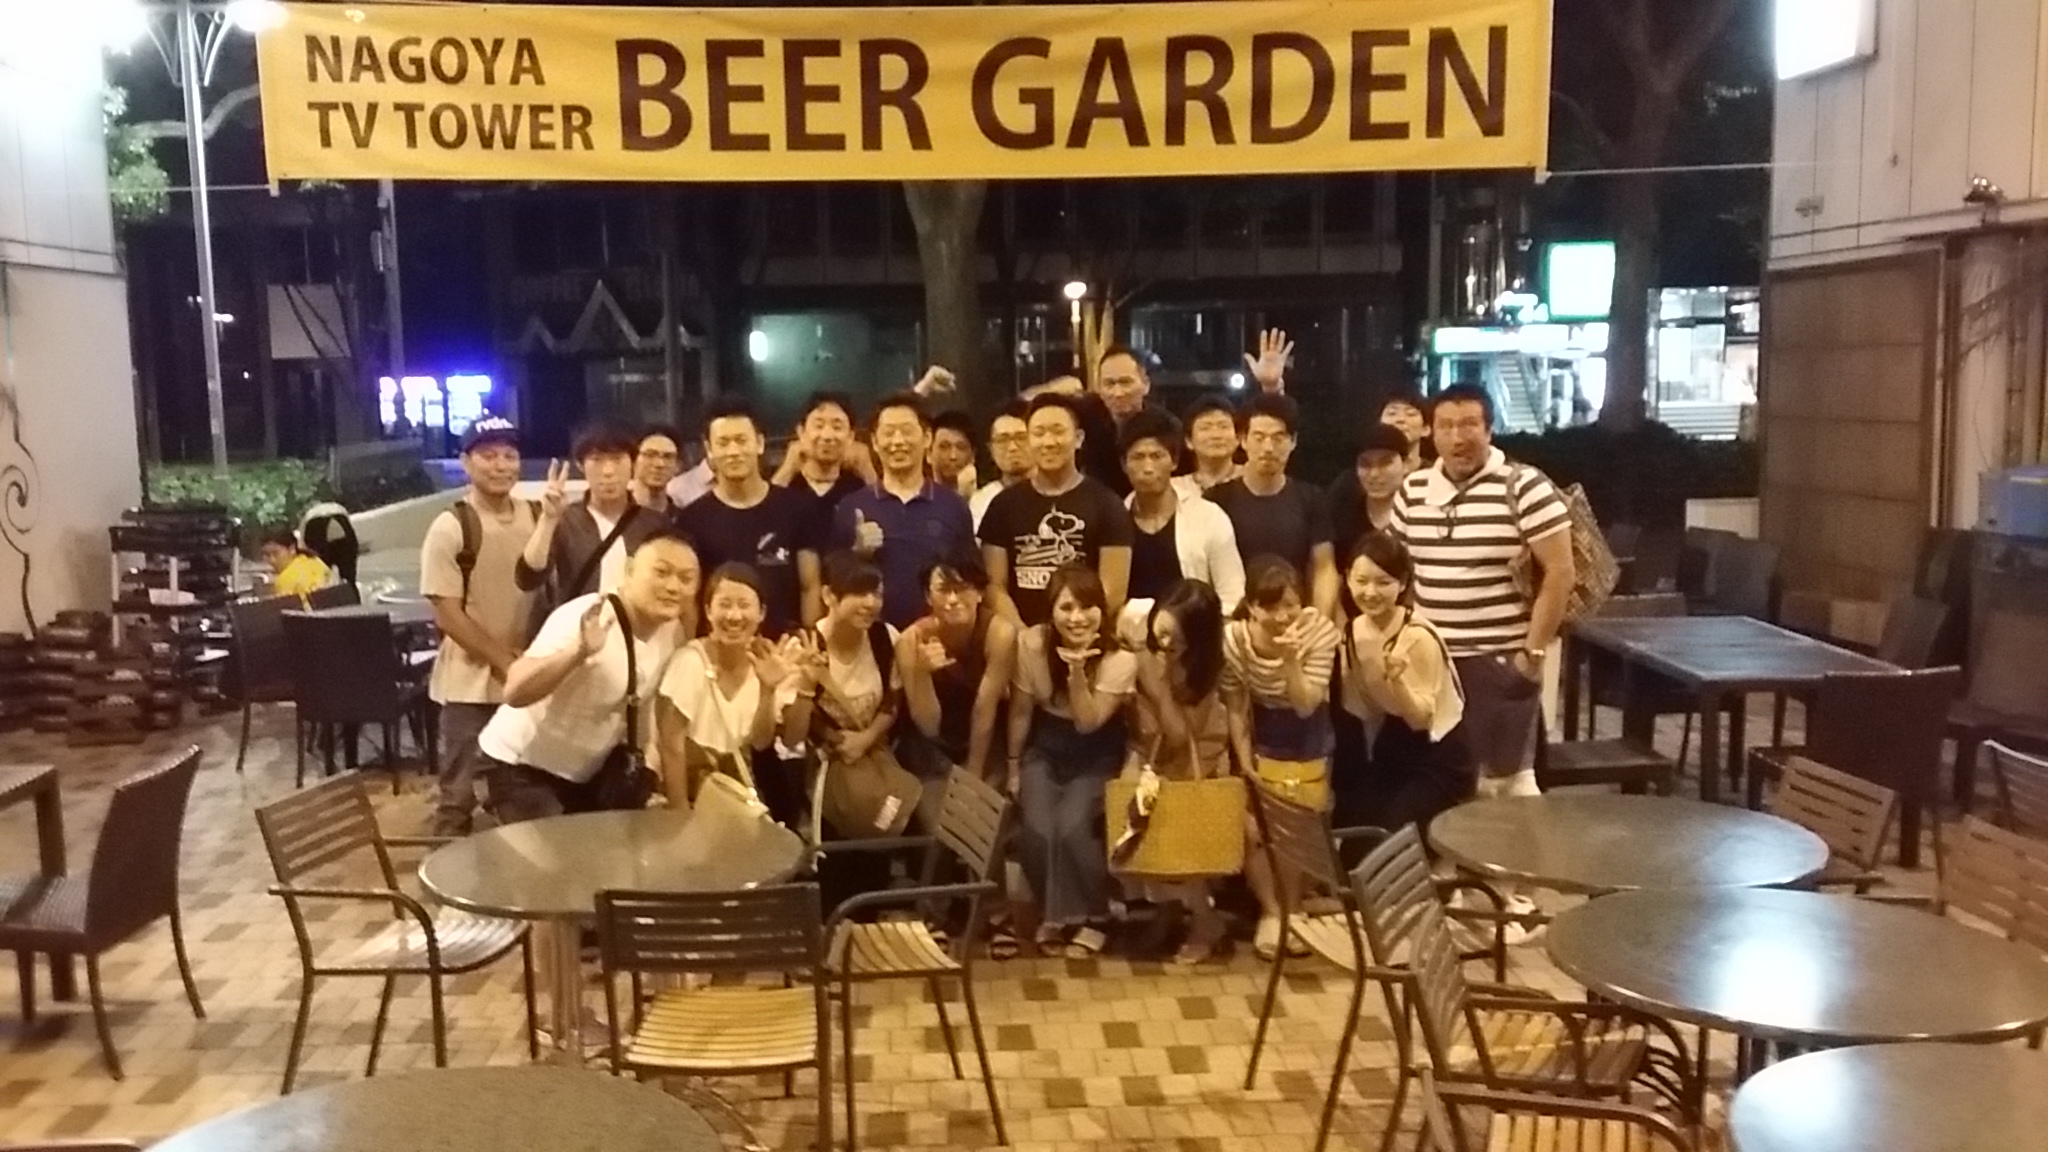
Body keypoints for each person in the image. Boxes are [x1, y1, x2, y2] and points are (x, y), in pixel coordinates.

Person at [1392, 382, 1572, 936]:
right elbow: (1399, 569)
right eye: (1446, 426)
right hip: (1433, 663)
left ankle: (1514, 898)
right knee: (1452, 780)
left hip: (1498, 660)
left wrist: (1531, 653)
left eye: (1469, 424)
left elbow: (1560, 573)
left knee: (1506, 784)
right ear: (1430, 432)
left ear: (1489, 429)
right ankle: (1468, 891)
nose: (1457, 437)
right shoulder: (1413, 490)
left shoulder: (1525, 486)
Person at [477, 528, 697, 824]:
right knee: (558, 852)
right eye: (661, 572)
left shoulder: (672, 633)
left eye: (686, 578)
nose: (673, 586)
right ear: (629, 570)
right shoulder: (588, 616)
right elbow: (514, 691)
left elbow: (644, 710)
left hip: (587, 778)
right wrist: (577, 653)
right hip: (520, 767)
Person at [1006, 563, 1138, 959]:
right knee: (1037, 828)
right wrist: (1013, 765)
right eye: (1066, 608)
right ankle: (1056, 914)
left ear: (1101, 610)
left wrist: (1077, 671)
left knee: (1072, 827)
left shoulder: (1120, 658)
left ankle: (1097, 916)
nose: (1077, 618)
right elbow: (1021, 713)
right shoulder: (1031, 644)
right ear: (1051, 611)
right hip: (1045, 747)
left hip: (1096, 751)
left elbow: (1087, 723)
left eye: (1086, 607)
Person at [419, 416, 541, 835]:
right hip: (468, 687)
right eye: (488, 456)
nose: (500, 465)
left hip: (527, 683)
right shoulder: (452, 526)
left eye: (509, 455)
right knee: (458, 799)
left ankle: (509, 875)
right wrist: (505, 662)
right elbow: (447, 614)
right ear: (466, 463)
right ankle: (440, 875)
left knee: (519, 797)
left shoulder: (538, 517)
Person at [1223, 556, 1341, 960]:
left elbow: (1307, 704)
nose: (1281, 616)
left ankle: (1294, 912)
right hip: (1262, 736)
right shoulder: (1235, 640)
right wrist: (1244, 763)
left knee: (1300, 833)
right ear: (1251, 606)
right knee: (1257, 832)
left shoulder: (1319, 633)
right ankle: (1272, 913)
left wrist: (1291, 659)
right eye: (1269, 607)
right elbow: (1235, 706)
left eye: (1290, 605)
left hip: (1309, 736)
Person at [1125, 579, 1235, 965]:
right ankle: (1167, 913)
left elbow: (1179, 736)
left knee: (1184, 837)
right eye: (1162, 631)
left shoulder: (1205, 670)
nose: (1166, 643)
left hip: (1194, 763)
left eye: (1177, 639)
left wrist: (1157, 684)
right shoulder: (1141, 639)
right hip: (1150, 755)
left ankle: (1206, 923)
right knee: (1136, 824)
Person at [1341, 533, 1473, 833]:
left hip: (1437, 751)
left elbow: (1421, 720)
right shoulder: (1351, 632)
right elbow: (1364, 711)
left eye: (1383, 582)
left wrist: (1397, 680)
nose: (1370, 592)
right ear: (1347, 579)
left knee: (1392, 833)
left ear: (1402, 584)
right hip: (1392, 744)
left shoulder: (1418, 636)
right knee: (1355, 827)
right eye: (1361, 581)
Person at [656, 563, 813, 810]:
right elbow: (670, 745)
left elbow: (761, 742)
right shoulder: (690, 661)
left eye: (744, 605)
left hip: (736, 798)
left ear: (761, 613)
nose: (734, 616)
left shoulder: (767, 663)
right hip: (690, 794)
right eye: (725, 605)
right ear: (708, 611)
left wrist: (768, 690)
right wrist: (680, 811)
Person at [978, 393, 1134, 627]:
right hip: (1022, 637)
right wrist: (1023, 634)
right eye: (1038, 433)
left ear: (1078, 438)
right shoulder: (1002, 505)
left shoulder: (1107, 504)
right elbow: (994, 587)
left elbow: (1113, 592)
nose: (1048, 442)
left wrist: (1073, 630)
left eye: (1058, 431)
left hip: (1085, 633)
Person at [677, 396, 824, 637]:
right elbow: (690, 599)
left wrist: (810, 639)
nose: (733, 451)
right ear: (709, 450)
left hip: (786, 648)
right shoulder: (692, 519)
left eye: (741, 440)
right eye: (723, 443)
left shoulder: (797, 507)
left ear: (760, 443)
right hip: (720, 649)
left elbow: (810, 586)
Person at [830, 392, 977, 631]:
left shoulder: (953, 505)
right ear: (875, 442)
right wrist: (858, 552)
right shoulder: (851, 506)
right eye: (888, 433)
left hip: (938, 635)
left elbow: (972, 579)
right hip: (873, 636)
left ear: (927, 438)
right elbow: (833, 583)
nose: (897, 441)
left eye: (907, 431)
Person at [1206, 393, 1341, 620]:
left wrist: (1319, 621)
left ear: (1293, 441)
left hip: (1294, 618)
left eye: (1278, 438)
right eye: (1259, 437)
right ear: (1243, 440)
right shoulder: (1217, 499)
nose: (1268, 448)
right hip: (1235, 622)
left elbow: (1324, 568)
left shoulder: (1311, 498)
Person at [516, 424, 665, 630]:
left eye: (617, 459)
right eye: (596, 460)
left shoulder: (654, 523)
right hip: (579, 633)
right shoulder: (566, 519)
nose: (608, 471)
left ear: (632, 463)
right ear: (580, 465)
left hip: (638, 632)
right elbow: (528, 579)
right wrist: (548, 520)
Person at [897, 548, 1016, 787]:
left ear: (980, 593)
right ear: (928, 596)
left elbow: (984, 710)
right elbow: (928, 726)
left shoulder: (999, 634)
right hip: (930, 742)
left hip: (982, 735)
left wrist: (973, 775)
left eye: (962, 589)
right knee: (933, 806)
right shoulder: (910, 640)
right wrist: (922, 673)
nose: (952, 600)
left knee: (983, 800)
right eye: (943, 590)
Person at [1119, 408, 1244, 613]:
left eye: (1157, 456)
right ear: (1124, 464)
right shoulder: (1113, 519)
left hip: (1195, 629)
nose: (1148, 467)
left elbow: (1232, 597)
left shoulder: (1209, 517)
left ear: (1174, 462)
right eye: (1138, 457)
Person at [774, 390, 867, 541]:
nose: (827, 436)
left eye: (837, 427)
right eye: (819, 425)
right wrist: (787, 469)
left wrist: (867, 469)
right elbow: (761, 519)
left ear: (851, 436)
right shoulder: (788, 486)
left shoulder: (857, 487)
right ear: (801, 432)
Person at [1324, 422, 1414, 552]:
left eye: (1385, 463)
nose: (1374, 474)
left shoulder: (1420, 511)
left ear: (1406, 464)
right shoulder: (1341, 509)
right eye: (1365, 464)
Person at [969, 400, 1032, 530]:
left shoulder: (1054, 492)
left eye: (1021, 437)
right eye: (1002, 440)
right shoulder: (981, 501)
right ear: (991, 449)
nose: (1012, 447)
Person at [1182, 394, 1243, 493]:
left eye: (1224, 426)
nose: (1216, 435)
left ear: (1238, 438)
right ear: (1189, 441)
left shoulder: (1255, 480)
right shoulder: (1176, 488)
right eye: (1205, 428)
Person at [632, 425, 687, 520]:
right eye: (650, 455)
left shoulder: (683, 520)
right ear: (633, 460)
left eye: (668, 457)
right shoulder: (613, 514)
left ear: (678, 466)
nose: (660, 464)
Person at [260, 529, 330, 600]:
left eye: (276, 553)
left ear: (292, 549)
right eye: (267, 555)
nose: (272, 560)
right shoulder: (314, 560)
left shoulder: (284, 580)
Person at [929, 410, 978, 497]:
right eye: (944, 447)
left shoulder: (987, 500)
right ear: (928, 453)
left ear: (973, 455)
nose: (953, 456)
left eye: (961, 447)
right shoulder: (916, 500)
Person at [1381, 391, 1431, 470]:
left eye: (1411, 414)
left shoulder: (1436, 473)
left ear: (1425, 429)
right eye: (1392, 413)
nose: (1400, 419)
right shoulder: (1368, 472)